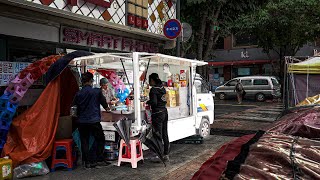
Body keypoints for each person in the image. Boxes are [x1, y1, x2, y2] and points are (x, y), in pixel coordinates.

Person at [73, 72, 110, 169]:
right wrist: (107, 109)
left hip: (82, 122)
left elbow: (74, 108)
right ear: (91, 81)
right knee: (100, 139)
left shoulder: (78, 93)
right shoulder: (96, 92)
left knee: (84, 141)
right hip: (94, 121)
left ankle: (87, 162)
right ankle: (99, 159)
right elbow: (104, 104)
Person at [147, 73, 170, 161]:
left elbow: (154, 103)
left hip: (157, 114)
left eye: (150, 81)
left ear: (152, 80)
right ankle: (166, 154)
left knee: (157, 134)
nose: (149, 83)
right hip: (164, 112)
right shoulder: (162, 88)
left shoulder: (153, 90)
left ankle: (158, 155)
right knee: (164, 133)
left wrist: (148, 102)